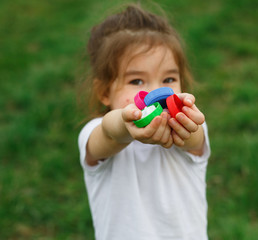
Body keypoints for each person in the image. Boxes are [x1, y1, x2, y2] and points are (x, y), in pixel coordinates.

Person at [78, 3, 210, 240]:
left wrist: (186, 122)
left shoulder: (188, 125)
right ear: (104, 92)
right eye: (137, 81)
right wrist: (127, 124)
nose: (155, 93)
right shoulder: (94, 132)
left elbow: (194, 138)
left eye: (169, 79)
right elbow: (110, 132)